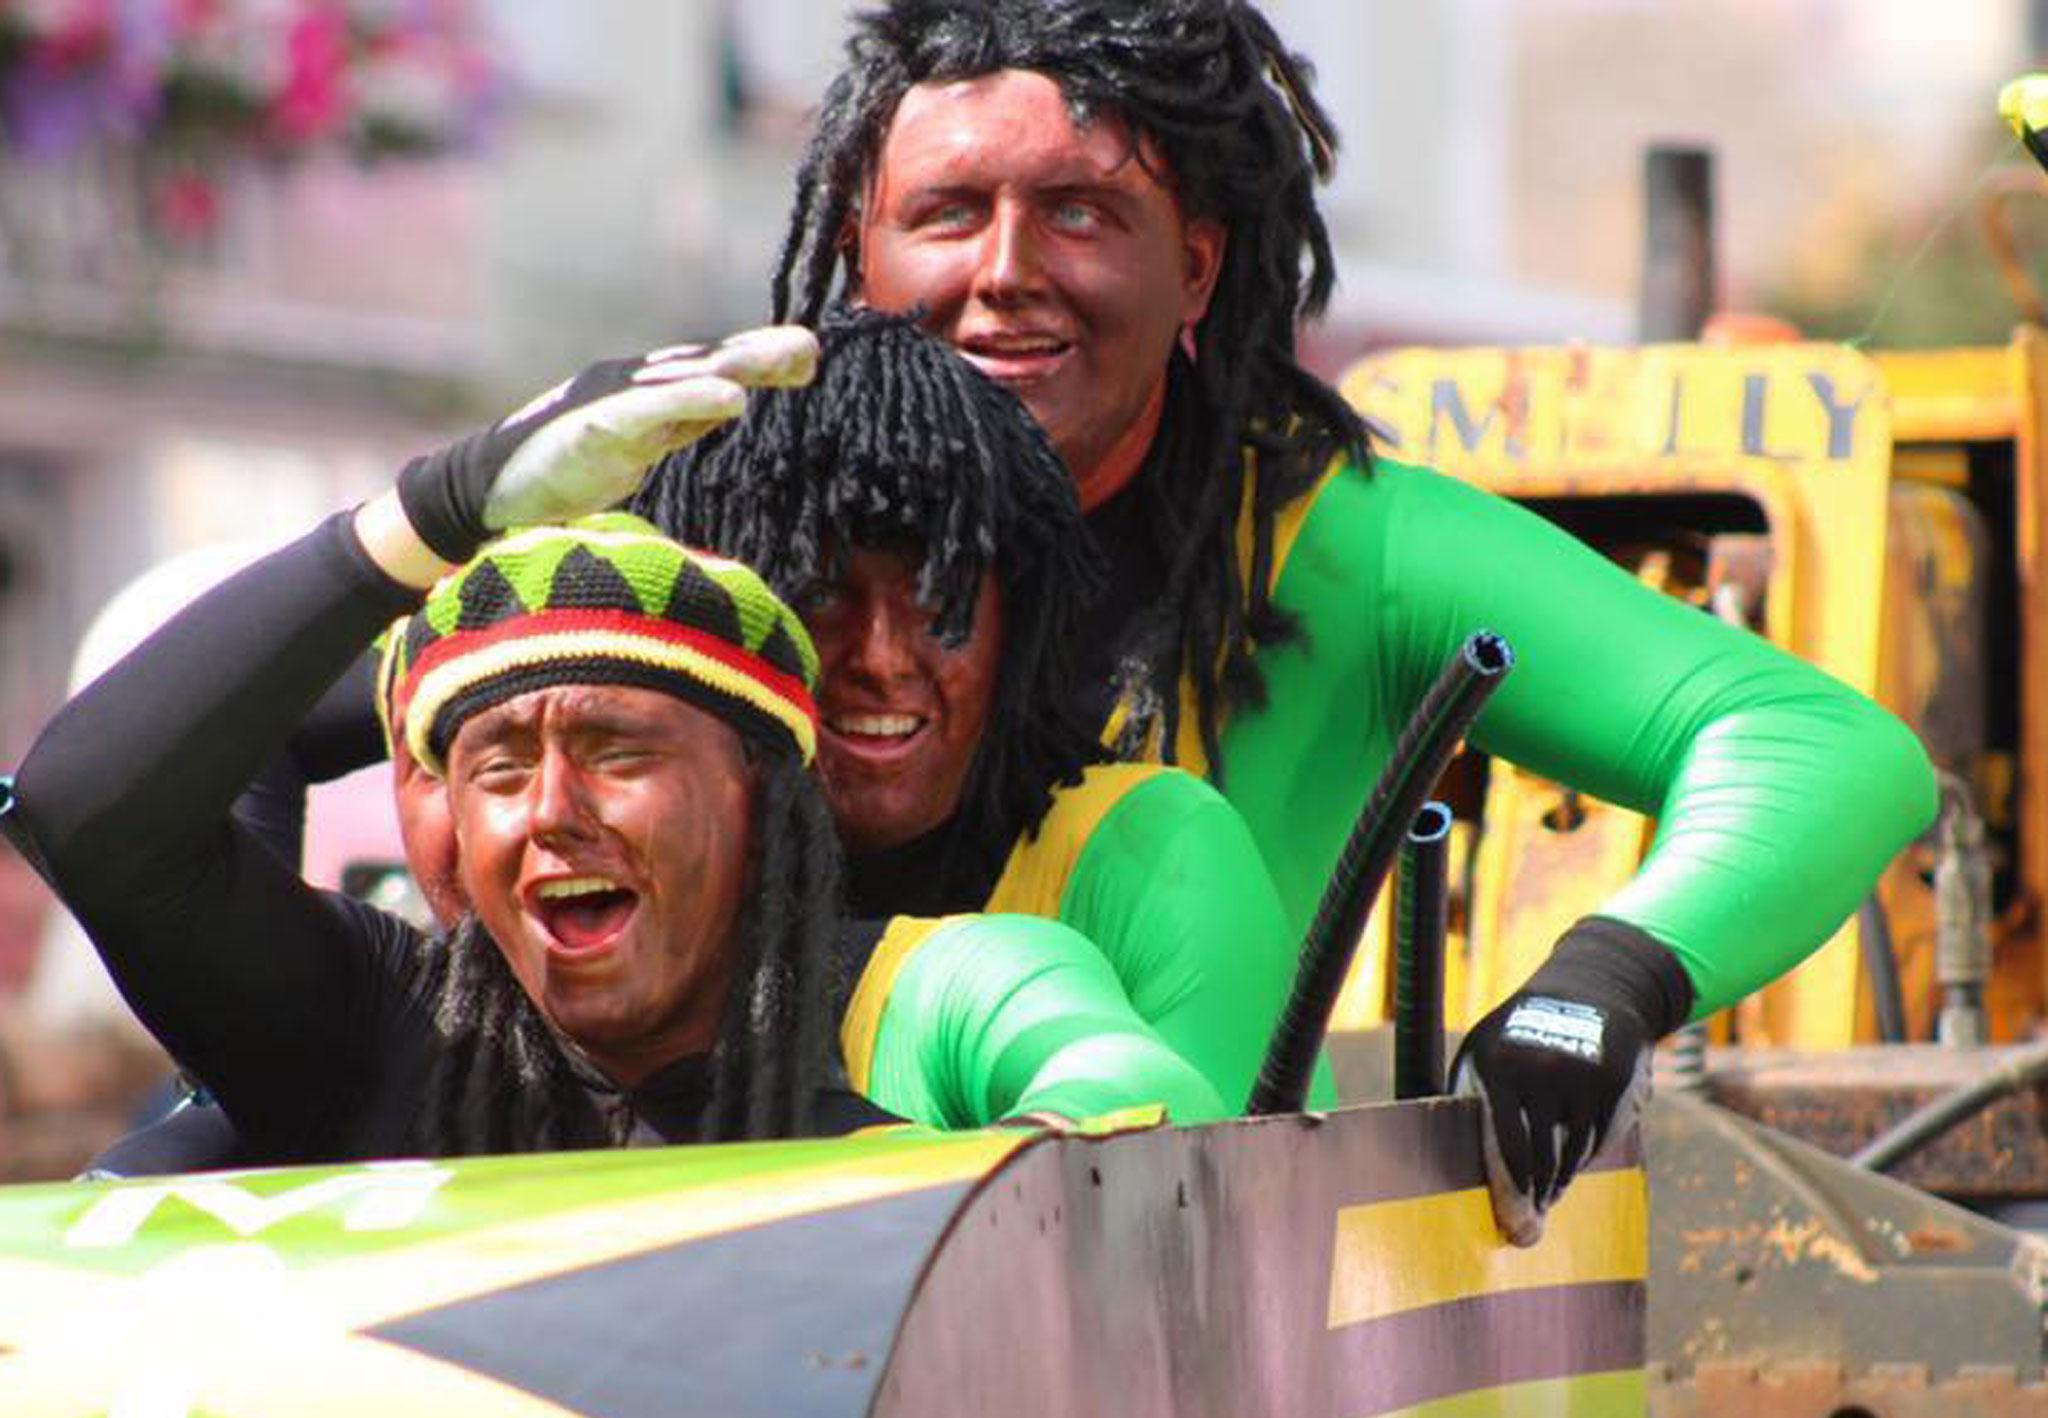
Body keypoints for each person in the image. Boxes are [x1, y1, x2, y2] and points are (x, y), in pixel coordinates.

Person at [771, 0, 1938, 1240]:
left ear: (1197, 266)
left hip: (1221, 1297)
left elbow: (1822, 751)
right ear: (858, 251)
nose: (1005, 269)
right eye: (948, 213)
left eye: (1079, 211)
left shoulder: (1333, 542)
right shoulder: (734, 509)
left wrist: (1602, 982)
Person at [12, 333, 1222, 1166]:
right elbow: (83, 808)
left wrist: (941, 1198)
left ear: (760, 796)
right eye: (496, 768)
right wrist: (433, 508)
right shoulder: (383, 1026)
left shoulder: (920, 988)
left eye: (615, 749)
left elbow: (1140, 1105)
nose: (551, 809)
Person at [638, 304, 1327, 1111]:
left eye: (939, 596)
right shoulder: (647, 862)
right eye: (821, 595)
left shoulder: (1156, 854)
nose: (883, 660)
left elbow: (1205, 1203)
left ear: (1022, 618)